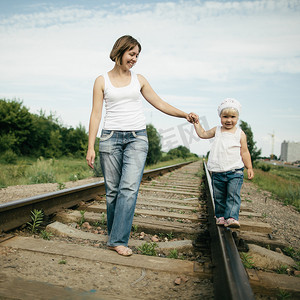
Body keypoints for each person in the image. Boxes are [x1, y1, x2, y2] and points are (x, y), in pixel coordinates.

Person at [86, 35, 198, 256]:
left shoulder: (140, 80)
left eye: (137, 55)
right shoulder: (102, 80)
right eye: (132, 54)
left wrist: (184, 114)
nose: (135, 59)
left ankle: (118, 240)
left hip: (137, 138)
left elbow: (159, 103)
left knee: (128, 189)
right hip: (110, 139)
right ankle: (114, 235)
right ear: (119, 52)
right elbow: (96, 114)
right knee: (113, 192)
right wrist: (91, 145)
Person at [193, 98, 254, 228]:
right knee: (219, 196)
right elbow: (203, 134)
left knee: (232, 195)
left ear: (237, 117)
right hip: (218, 171)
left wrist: (249, 167)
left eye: (233, 117)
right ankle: (220, 216)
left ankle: (231, 217)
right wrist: (196, 123)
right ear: (220, 116)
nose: (229, 120)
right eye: (225, 116)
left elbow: (244, 152)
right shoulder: (217, 130)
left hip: (235, 171)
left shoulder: (240, 133)